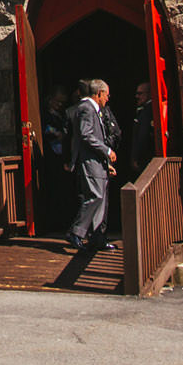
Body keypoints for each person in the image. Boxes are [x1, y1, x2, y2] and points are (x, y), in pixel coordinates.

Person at [64, 78, 118, 251]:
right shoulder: (86, 108)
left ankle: (97, 238)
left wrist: (106, 162)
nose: (108, 98)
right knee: (95, 196)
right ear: (99, 93)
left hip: (98, 162)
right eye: (107, 95)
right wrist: (107, 151)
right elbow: (86, 135)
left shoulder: (95, 110)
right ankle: (76, 232)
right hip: (90, 162)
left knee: (101, 198)